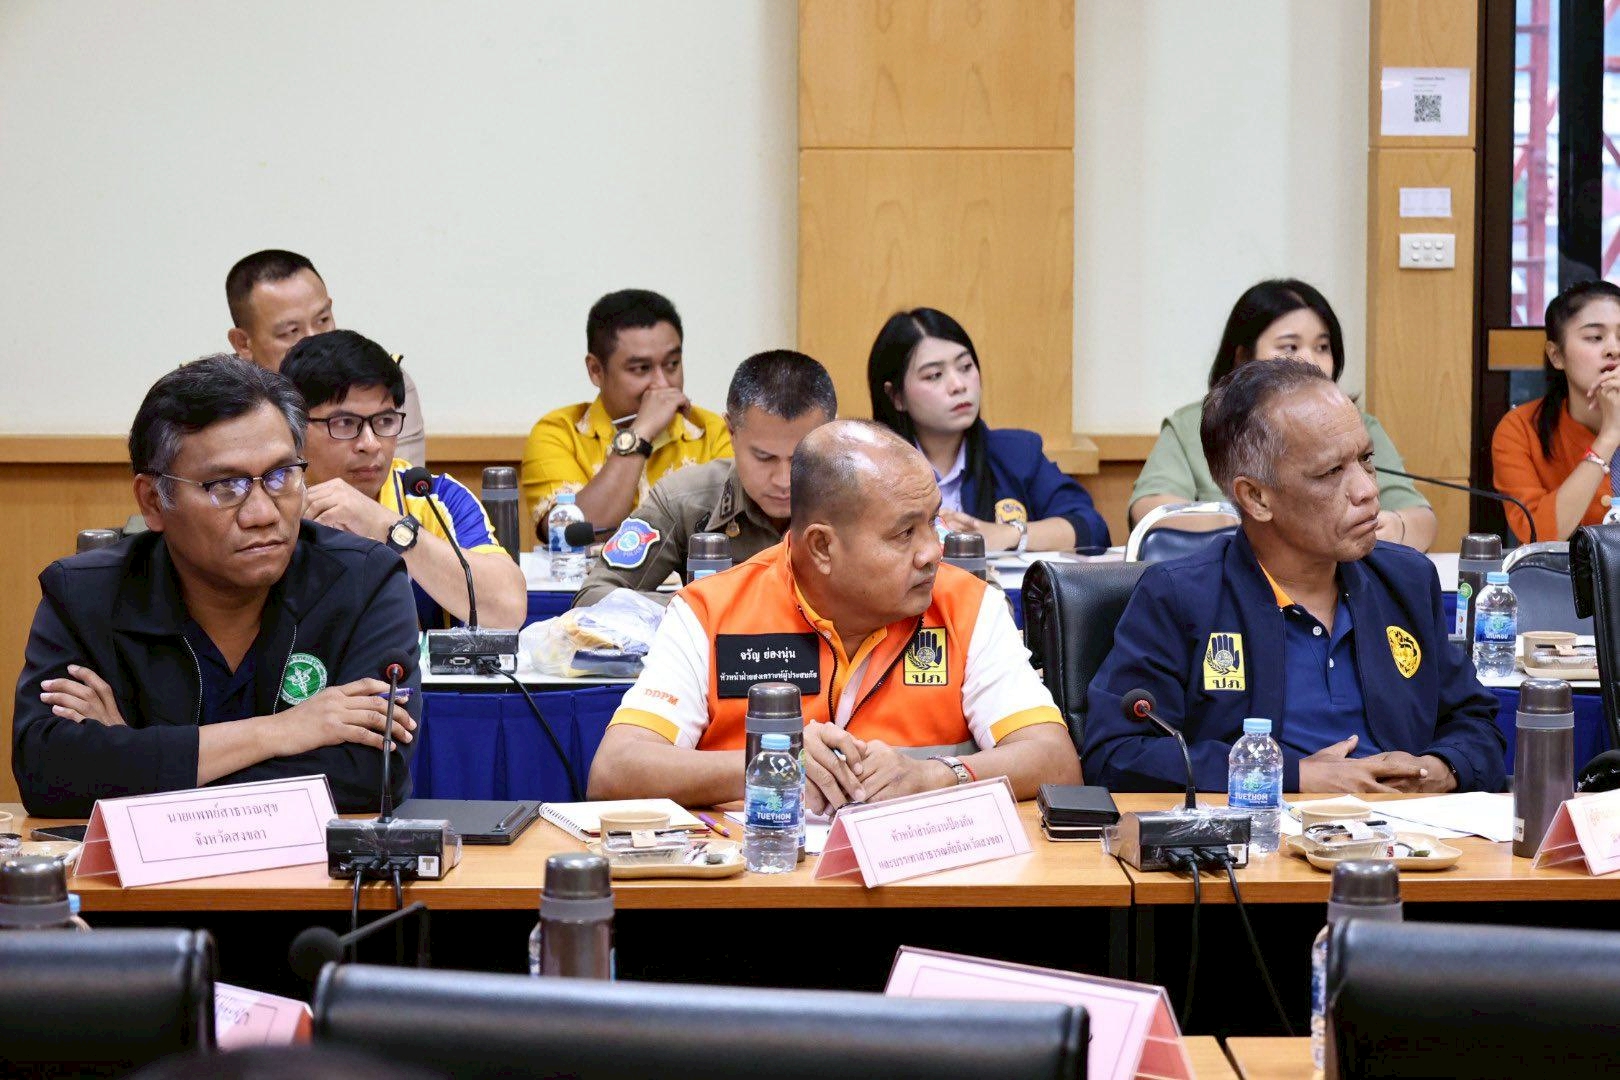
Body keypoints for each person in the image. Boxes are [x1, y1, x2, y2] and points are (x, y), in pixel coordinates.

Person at [587, 420, 1080, 810]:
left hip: (920, 886)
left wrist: (935, 777)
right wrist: (773, 765)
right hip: (760, 884)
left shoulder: (968, 605)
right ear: (822, 546)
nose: (933, 551)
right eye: (904, 533)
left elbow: (1056, 761)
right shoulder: (710, 612)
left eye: (932, 521)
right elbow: (615, 771)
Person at [13, 356, 420, 817]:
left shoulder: (366, 582)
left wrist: (133, 754)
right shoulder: (84, 595)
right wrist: (282, 731)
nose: (263, 513)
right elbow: (47, 774)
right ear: (153, 501)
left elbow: (369, 776)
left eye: (281, 476)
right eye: (226, 486)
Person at [1085, 359, 1505, 794]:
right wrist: (1295, 776)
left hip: (1410, 827)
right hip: (1268, 831)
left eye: (1365, 460)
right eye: (1331, 472)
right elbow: (1116, 754)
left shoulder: (1406, 580)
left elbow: (1477, 724)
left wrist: (1440, 768)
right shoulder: (1181, 596)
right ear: (1256, 497)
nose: (1367, 490)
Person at [1129, 279, 1436, 551]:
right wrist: (1258, 523)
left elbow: (1420, 515)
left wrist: (1398, 527)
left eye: (1322, 347)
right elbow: (1152, 511)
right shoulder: (1190, 426)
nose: (1310, 360)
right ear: (1243, 356)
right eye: (1290, 347)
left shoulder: (1355, 426)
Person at [281, 330, 526, 630]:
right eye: (345, 423)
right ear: (294, 428)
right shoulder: (270, 502)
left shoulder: (431, 497)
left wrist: (387, 526)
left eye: (385, 421)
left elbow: (508, 609)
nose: (371, 444)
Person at [575, 349, 836, 607]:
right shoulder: (683, 499)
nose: (783, 480)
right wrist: (703, 608)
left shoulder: (855, 502)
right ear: (731, 431)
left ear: (832, 433)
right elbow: (592, 597)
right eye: (764, 457)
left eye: (800, 458)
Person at [867, 308, 1109, 552]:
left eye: (965, 366)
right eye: (934, 375)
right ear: (896, 396)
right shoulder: (870, 472)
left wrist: (1009, 534)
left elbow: (1092, 529)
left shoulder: (1017, 454)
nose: (958, 385)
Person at [520, 289, 732, 536]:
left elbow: (734, 531)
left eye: (672, 364)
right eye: (641, 368)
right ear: (596, 370)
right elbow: (570, 535)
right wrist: (640, 434)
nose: (662, 384)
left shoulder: (713, 431)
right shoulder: (559, 433)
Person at [226, 249, 427, 466]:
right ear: (242, 343)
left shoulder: (378, 384)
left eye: (323, 320)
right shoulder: (218, 402)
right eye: (291, 331)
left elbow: (398, 481)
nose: (314, 338)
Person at [1491, 279, 1620, 542]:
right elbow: (1541, 536)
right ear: (1556, 355)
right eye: (1595, 337)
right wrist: (1609, 436)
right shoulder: (1520, 429)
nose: (1614, 350)